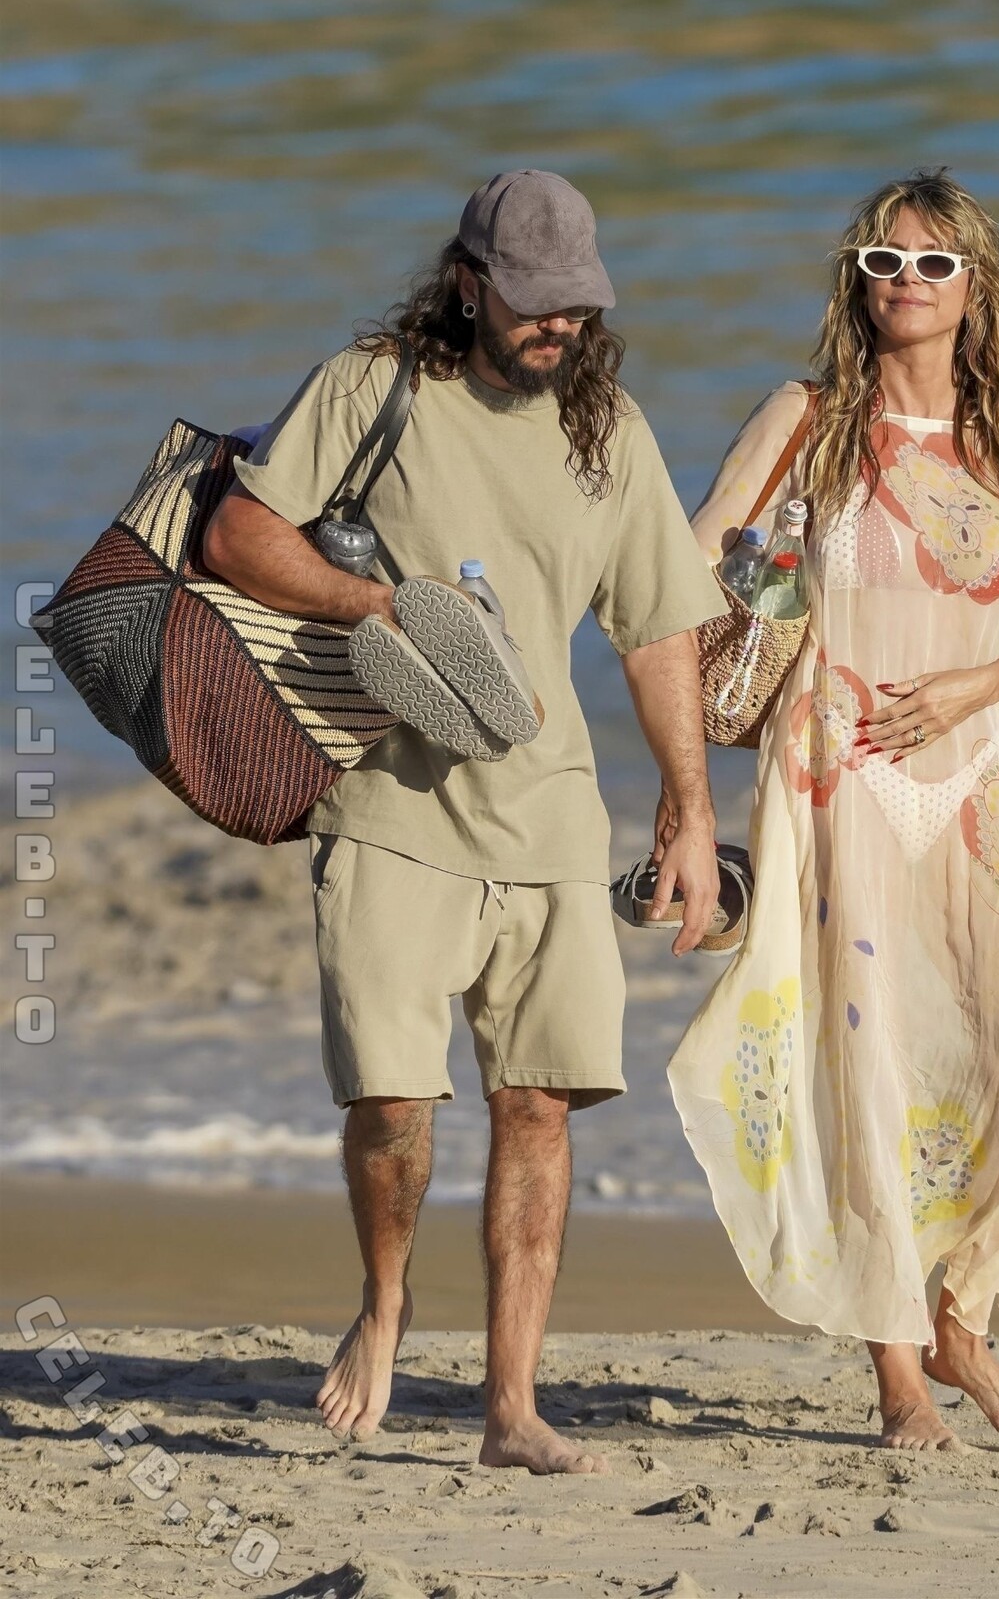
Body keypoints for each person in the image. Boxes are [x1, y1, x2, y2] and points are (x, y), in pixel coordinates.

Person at [204, 169, 726, 1471]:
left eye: (579, 306)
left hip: (548, 818)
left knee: (536, 1107)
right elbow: (238, 538)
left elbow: (657, 628)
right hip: (388, 807)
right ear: (467, 284)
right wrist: (375, 607)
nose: (560, 326)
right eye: (536, 303)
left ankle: (510, 1406)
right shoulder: (371, 388)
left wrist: (686, 806)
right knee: (391, 1100)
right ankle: (386, 1299)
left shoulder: (610, 431)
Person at [667, 168, 999, 1450]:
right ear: (855, 283)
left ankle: (964, 1313)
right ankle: (900, 1374)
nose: (904, 282)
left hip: (979, 783)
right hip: (839, 777)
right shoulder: (807, 419)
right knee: (868, 1064)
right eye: (881, 262)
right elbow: (682, 571)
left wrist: (973, 684)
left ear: (976, 288)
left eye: (931, 263)